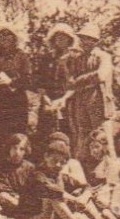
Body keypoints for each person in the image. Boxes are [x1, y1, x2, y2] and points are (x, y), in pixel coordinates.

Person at [65, 24, 113, 167]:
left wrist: (80, 80)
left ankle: (109, 170)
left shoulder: (103, 56)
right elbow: (70, 81)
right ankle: (84, 171)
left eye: (89, 39)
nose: (85, 42)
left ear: (96, 41)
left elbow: (101, 75)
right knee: (83, 137)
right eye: (83, 39)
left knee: (103, 137)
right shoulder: (78, 59)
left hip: (99, 101)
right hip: (81, 101)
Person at [36, 24, 78, 151]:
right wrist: (44, 97)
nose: (60, 41)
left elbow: (75, 83)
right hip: (48, 100)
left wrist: (64, 99)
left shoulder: (74, 58)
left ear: (69, 40)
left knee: (67, 131)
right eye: (57, 38)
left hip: (68, 100)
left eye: (64, 38)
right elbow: (39, 80)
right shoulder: (47, 58)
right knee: (46, 132)